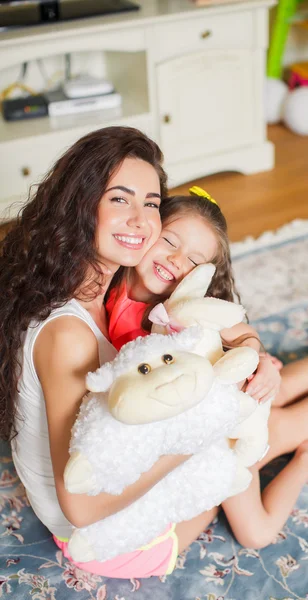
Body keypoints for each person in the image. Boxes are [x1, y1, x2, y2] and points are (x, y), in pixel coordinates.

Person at [107, 188, 308, 550]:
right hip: (200, 417)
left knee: (257, 532)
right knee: (279, 395)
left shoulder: (182, 304)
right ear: (149, 230)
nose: (176, 259)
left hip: (222, 424)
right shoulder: (107, 283)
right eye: (169, 240)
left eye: (194, 261)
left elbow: (244, 332)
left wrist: (257, 356)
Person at [0, 126, 219, 579]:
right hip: (106, 539)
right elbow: (80, 507)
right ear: (81, 205)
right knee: (243, 443)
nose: (142, 221)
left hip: (106, 489)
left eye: (152, 203)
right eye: (120, 199)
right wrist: (186, 447)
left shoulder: (89, 279)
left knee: (248, 388)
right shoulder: (69, 335)